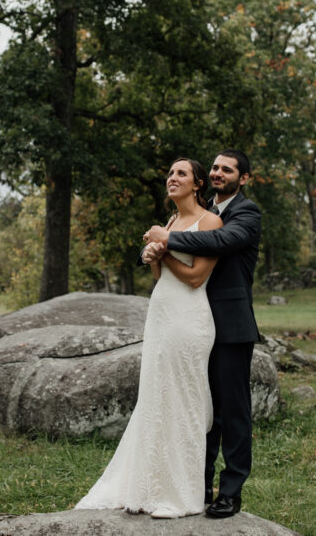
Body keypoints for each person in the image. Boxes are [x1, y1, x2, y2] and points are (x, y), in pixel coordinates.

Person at [75, 158, 223, 518]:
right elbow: (161, 276)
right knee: (157, 398)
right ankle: (150, 485)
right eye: (170, 174)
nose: (172, 179)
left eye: (181, 174)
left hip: (189, 319)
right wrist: (153, 254)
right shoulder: (171, 221)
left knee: (184, 399)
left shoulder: (210, 221)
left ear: (198, 184)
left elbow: (195, 277)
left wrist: (166, 248)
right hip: (160, 314)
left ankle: (184, 497)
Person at [142, 148, 261, 519]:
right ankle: (198, 483)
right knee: (201, 408)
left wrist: (167, 240)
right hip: (190, 323)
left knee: (233, 411)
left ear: (243, 178)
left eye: (227, 169)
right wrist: (158, 246)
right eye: (214, 167)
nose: (217, 173)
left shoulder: (246, 213)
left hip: (230, 325)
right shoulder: (197, 211)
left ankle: (231, 490)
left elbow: (221, 243)